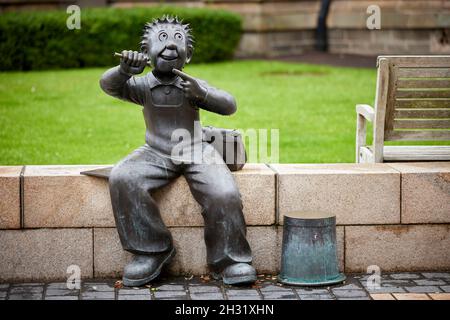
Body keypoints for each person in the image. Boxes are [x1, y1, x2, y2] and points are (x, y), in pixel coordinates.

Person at [99, 16, 256, 286]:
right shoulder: (141, 86)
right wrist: (124, 71)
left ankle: (230, 260)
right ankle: (151, 250)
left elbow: (230, 105)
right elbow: (108, 86)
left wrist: (202, 94)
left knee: (224, 193)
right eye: (161, 39)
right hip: (156, 152)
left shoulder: (191, 84)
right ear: (146, 53)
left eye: (178, 39)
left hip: (196, 150)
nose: (170, 45)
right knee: (123, 177)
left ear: (189, 54)